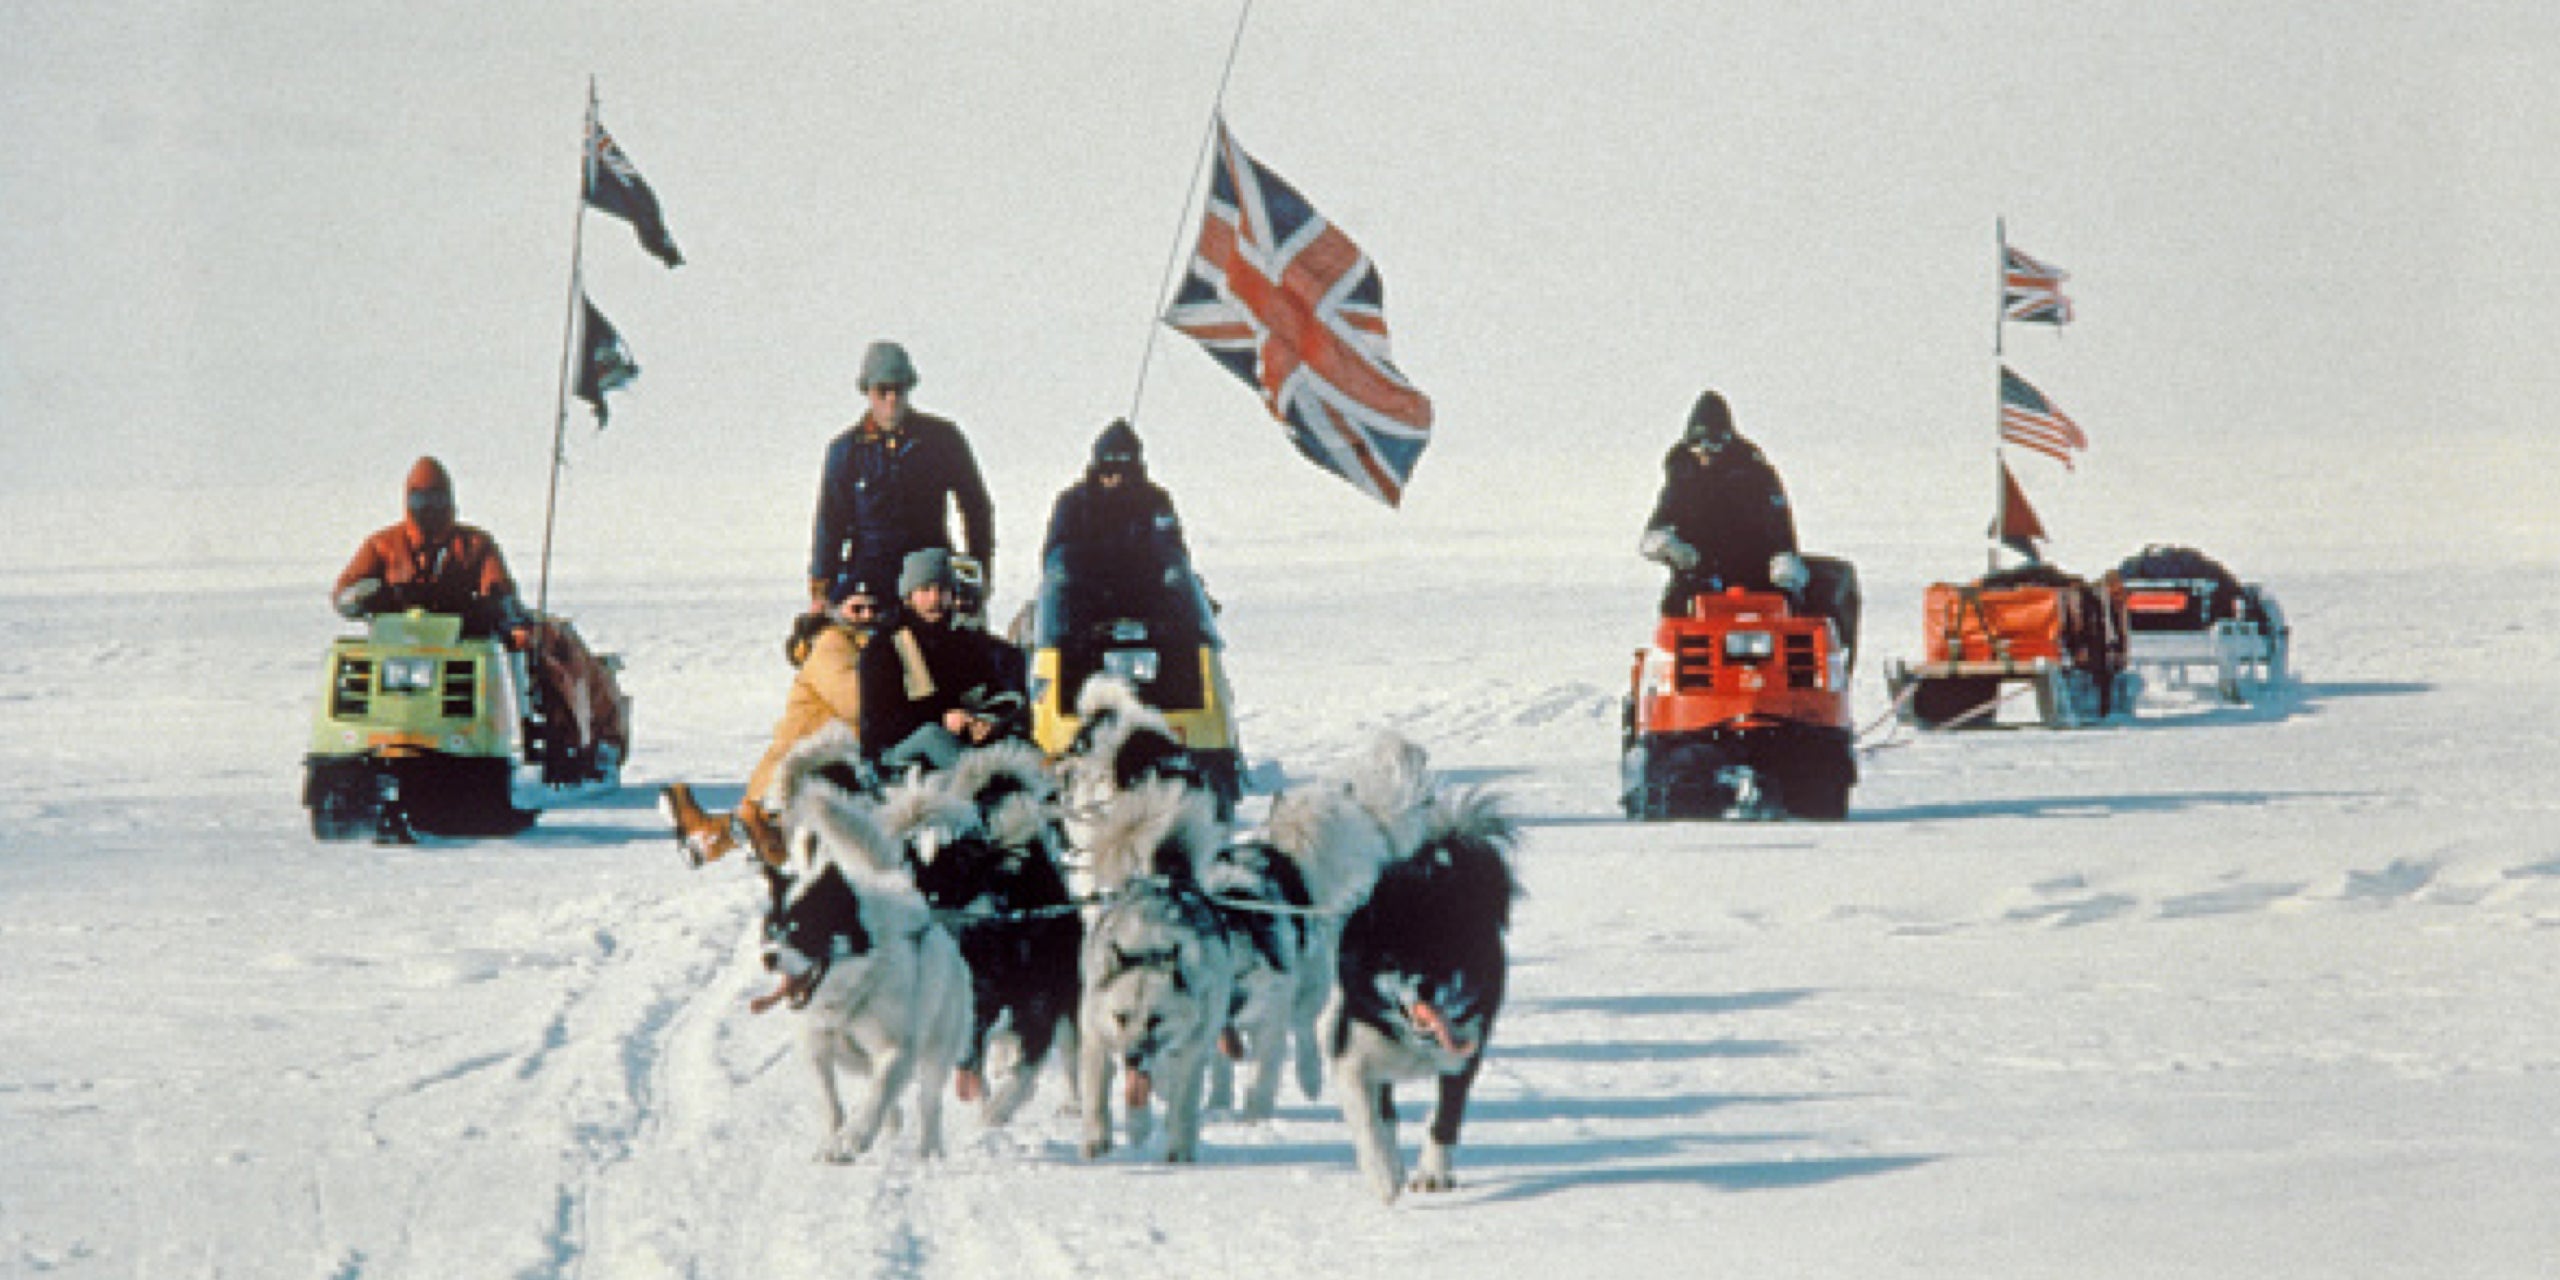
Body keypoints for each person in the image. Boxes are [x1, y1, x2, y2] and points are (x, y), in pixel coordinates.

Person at [659, 578, 885, 867]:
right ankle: (713, 834)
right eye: (858, 608)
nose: (867, 616)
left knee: (772, 829)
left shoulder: (858, 644)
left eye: (873, 608)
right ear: (837, 610)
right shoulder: (832, 644)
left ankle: (707, 838)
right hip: (808, 752)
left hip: (818, 751)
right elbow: (856, 703)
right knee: (772, 830)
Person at [1639, 389, 1859, 660]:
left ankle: (1788, 686)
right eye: (1697, 443)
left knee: (1786, 625)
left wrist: (1783, 567)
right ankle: (1675, 684)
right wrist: (1670, 547)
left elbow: (1780, 531)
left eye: (1715, 443)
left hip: (1755, 576)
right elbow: (1655, 529)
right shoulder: (1682, 478)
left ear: (1729, 441)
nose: (1705, 451)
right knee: (1676, 615)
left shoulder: (1756, 477)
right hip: (1697, 578)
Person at [807, 340, 996, 614]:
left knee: (964, 648)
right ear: (868, 392)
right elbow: (830, 523)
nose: (892, 399)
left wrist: (978, 569)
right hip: (870, 581)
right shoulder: (845, 452)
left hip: (931, 577)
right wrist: (822, 593)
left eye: (899, 389)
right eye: (883, 391)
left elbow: (976, 506)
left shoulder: (942, 440)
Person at [859, 548, 1026, 774]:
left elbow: (991, 690)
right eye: (926, 590)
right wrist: (942, 719)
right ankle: (985, 785)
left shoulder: (961, 641)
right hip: (894, 754)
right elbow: (880, 722)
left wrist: (985, 721)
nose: (935, 599)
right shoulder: (884, 648)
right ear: (909, 596)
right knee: (932, 736)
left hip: (954, 742)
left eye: (942, 590)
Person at [333, 456, 528, 637]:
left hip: (461, 644)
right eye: (420, 501)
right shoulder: (382, 545)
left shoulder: (476, 544)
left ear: (449, 500)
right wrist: (362, 597)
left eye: (437, 500)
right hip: (397, 646)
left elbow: (499, 589)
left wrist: (504, 612)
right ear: (408, 502)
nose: (429, 509)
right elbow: (344, 594)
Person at [1040, 418, 1191, 577]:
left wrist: (1172, 570)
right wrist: (1063, 567)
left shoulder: (1154, 502)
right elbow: (1056, 551)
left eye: (1120, 473)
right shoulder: (1073, 503)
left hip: (1144, 588)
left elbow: (1170, 546)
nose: (1112, 479)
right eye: (1105, 471)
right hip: (1083, 588)